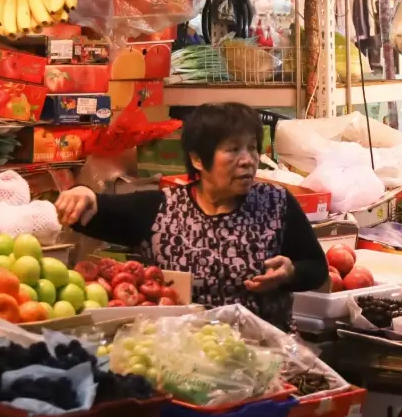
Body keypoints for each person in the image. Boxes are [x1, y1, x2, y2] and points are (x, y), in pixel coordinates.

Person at [55, 102, 328, 329]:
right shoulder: (162, 210)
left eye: (253, 148)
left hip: (267, 352)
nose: (248, 160)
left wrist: (291, 273)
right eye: (233, 150)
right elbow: (95, 210)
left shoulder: (275, 204)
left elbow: (316, 268)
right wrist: (82, 192)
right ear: (198, 159)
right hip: (185, 355)